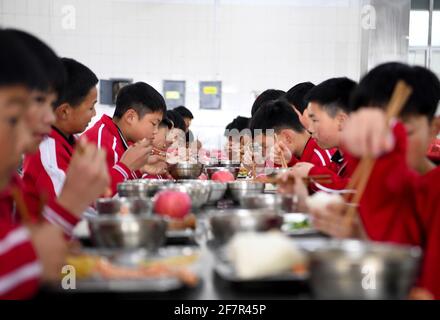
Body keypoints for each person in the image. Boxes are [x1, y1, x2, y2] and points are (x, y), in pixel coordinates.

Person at [309, 62, 440, 299]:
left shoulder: (434, 190)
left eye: (404, 133)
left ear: (434, 128)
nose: (387, 149)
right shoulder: (376, 177)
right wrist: (359, 237)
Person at [83, 82, 168, 195]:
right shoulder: (104, 142)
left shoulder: (122, 140)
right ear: (130, 117)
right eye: (153, 123)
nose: (156, 131)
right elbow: (99, 196)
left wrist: (141, 168)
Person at [286, 77, 358, 191]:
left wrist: (311, 173)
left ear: (341, 121)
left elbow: (354, 192)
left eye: (314, 120)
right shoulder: (340, 158)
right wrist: (293, 164)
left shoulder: (365, 157)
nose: (310, 128)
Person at [249, 100, 333, 169]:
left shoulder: (321, 157)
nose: (264, 154)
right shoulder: (294, 157)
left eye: (265, 146)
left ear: (287, 137)